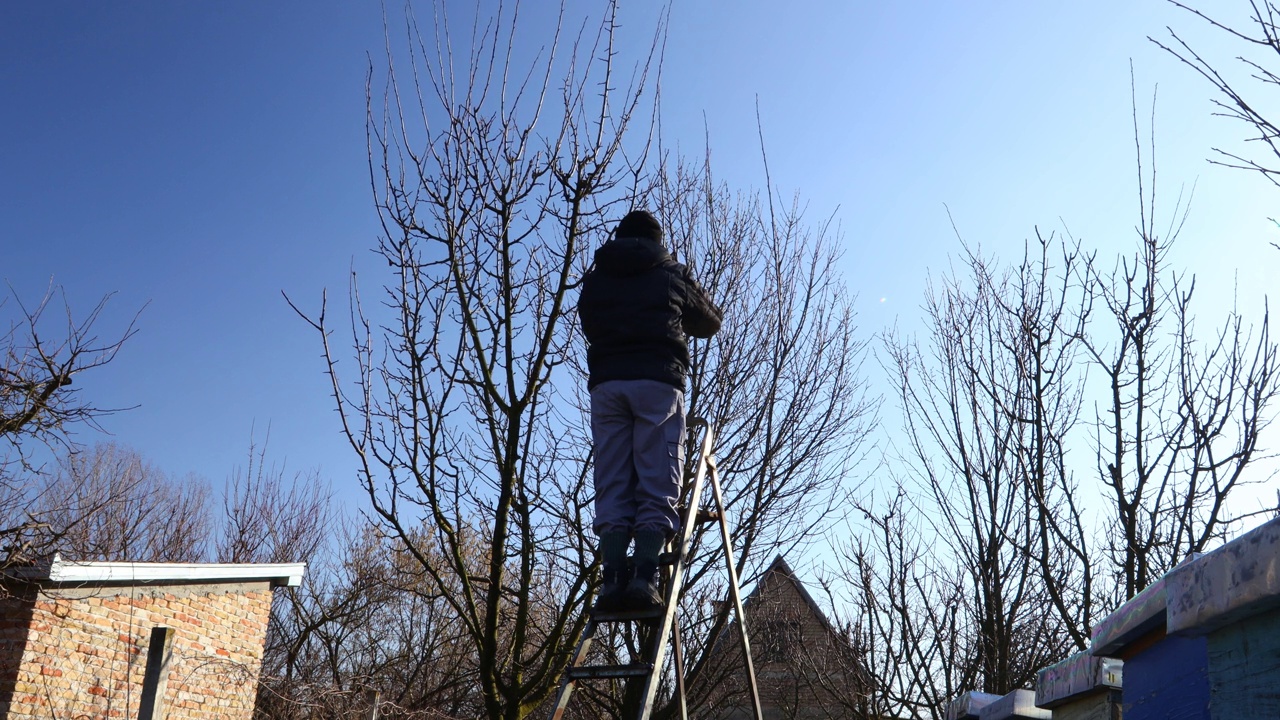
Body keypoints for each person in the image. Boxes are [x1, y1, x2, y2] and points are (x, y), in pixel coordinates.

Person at [578, 209, 723, 611]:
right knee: (659, 475)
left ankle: (611, 580)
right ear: (657, 241)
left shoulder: (596, 279)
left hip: (607, 385)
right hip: (657, 382)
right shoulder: (669, 272)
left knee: (612, 478)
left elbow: (588, 321)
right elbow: (710, 321)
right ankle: (644, 575)